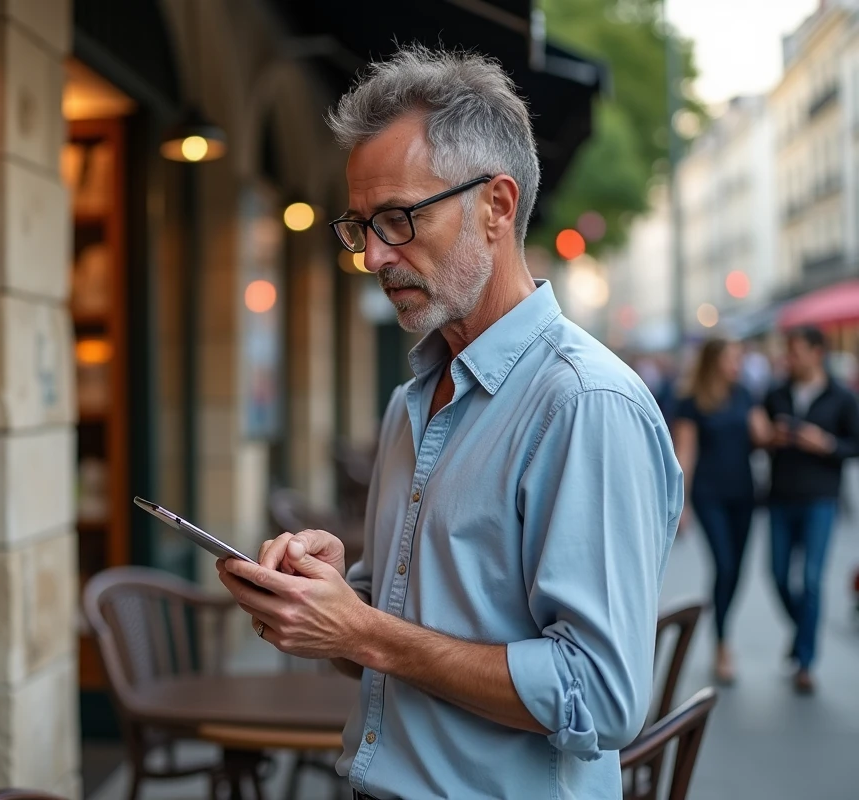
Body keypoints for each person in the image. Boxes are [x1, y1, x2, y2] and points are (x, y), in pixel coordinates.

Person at [215, 46, 682, 800]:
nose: (373, 255)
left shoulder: (584, 404)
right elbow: (387, 645)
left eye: (398, 219)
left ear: (496, 206)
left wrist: (365, 632)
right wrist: (326, 599)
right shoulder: (413, 401)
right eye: (360, 226)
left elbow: (596, 696)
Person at [764, 326, 859, 693]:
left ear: (818, 352)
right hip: (780, 496)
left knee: (813, 579)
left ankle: (805, 662)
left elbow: (854, 444)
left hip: (821, 497)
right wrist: (770, 437)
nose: (790, 358)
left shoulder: (842, 397)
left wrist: (827, 444)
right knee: (777, 575)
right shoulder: (776, 393)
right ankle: (803, 630)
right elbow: (760, 436)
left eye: (797, 351)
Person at [671, 339, 769, 684]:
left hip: (743, 493)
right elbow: (686, 452)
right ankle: (723, 642)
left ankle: (723, 633)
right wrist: (681, 503)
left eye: (740, 357)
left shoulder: (744, 393)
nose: (737, 363)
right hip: (709, 494)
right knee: (724, 565)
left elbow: (762, 436)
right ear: (714, 361)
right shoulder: (691, 400)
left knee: (737, 570)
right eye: (731, 357)